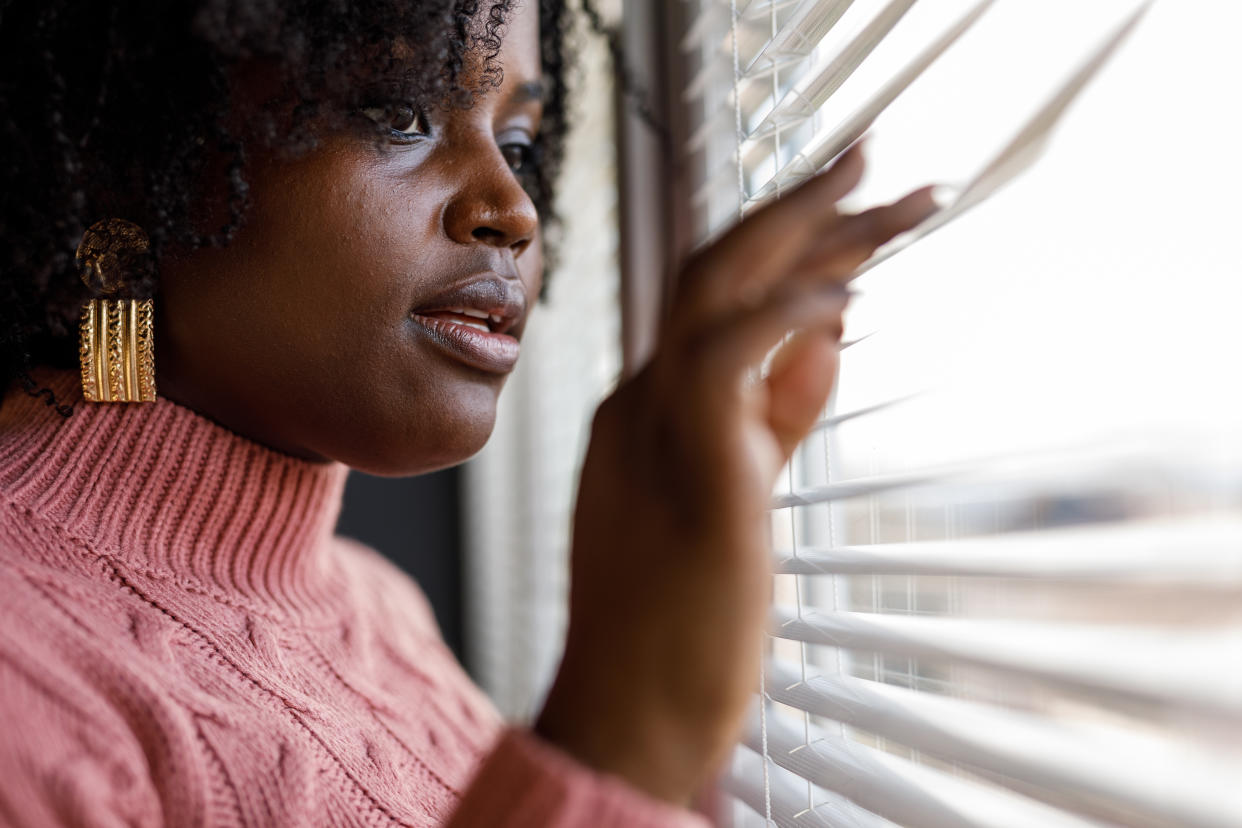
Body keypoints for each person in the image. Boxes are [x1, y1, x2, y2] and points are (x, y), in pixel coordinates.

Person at [0, 0, 936, 824]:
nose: (512, 208)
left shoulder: (379, 610)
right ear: (117, 166)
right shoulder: (23, 672)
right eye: (400, 113)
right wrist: (620, 743)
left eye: (520, 144)